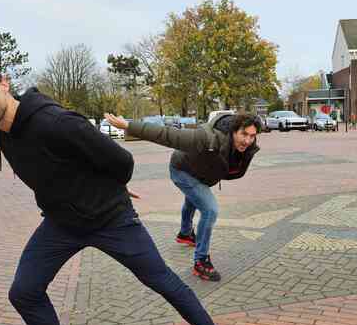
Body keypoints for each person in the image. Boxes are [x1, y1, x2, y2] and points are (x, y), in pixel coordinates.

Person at [0, 54, 230, 325]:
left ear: (3, 84)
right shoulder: (2, 131)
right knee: (24, 291)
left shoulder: (56, 122)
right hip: (61, 224)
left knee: (161, 279)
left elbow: (121, 163)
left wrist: (108, 189)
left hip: (111, 219)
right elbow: (57, 169)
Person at [104, 112, 261, 282]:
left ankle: (185, 234)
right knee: (210, 210)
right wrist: (129, 126)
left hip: (200, 174)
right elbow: (168, 135)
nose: (247, 141)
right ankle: (201, 262)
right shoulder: (207, 138)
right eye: (244, 134)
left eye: (252, 136)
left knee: (193, 199)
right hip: (181, 170)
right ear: (233, 131)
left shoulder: (246, 147)